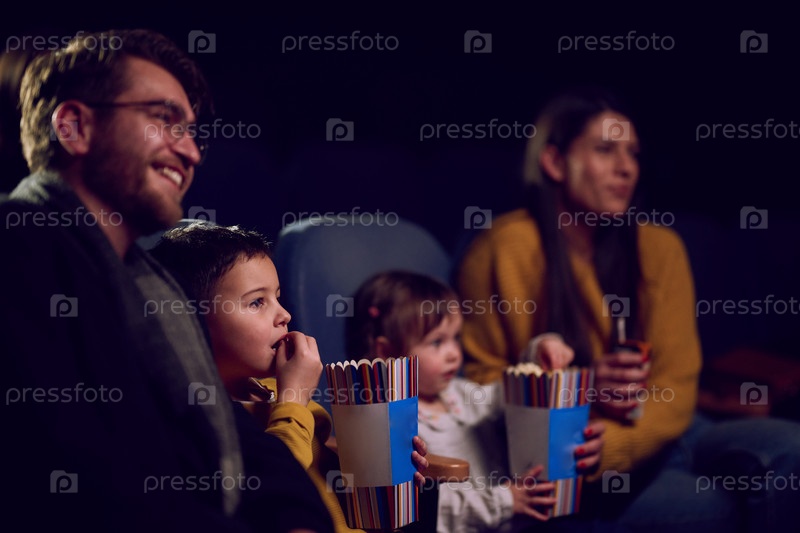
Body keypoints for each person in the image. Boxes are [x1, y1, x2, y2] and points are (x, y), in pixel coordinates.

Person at [0, 29, 333, 532]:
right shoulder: (19, 252)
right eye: (163, 120)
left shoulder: (150, 285)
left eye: (192, 132)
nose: (192, 153)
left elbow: (246, 450)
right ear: (73, 127)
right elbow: (89, 485)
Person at [456, 86, 800, 531]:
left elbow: (675, 385)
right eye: (605, 150)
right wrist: (581, 389)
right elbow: (480, 383)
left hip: (667, 429)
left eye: (633, 154)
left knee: (788, 448)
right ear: (555, 162)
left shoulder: (661, 248)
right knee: (706, 505)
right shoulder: (503, 248)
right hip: (569, 452)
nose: (626, 168)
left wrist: (619, 444)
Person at [149, 222, 430, 533]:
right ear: (193, 320)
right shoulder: (206, 419)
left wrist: (383, 488)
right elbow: (272, 493)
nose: (284, 315)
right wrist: (293, 399)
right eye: (257, 302)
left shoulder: (278, 390)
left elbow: (328, 494)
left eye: (278, 297)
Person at [345, 270, 607, 533]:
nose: (453, 354)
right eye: (437, 342)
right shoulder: (394, 427)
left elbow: (512, 392)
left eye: (456, 338)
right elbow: (428, 508)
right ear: (387, 353)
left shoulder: (459, 393)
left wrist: (540, 353)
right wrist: (504, 501)